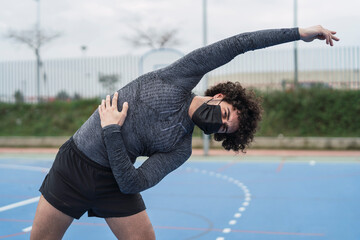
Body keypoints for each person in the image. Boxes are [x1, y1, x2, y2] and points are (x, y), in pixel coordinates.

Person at [30, 25, 339, 240]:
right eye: (225, 115)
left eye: (222, 129)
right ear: (220, 98)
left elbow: (131, 182)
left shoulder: (180, 148)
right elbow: (240, 43)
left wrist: (112, 130)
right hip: (74, 166)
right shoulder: (178, 77)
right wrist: (299, 34)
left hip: (114, 181)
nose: (218, 124)